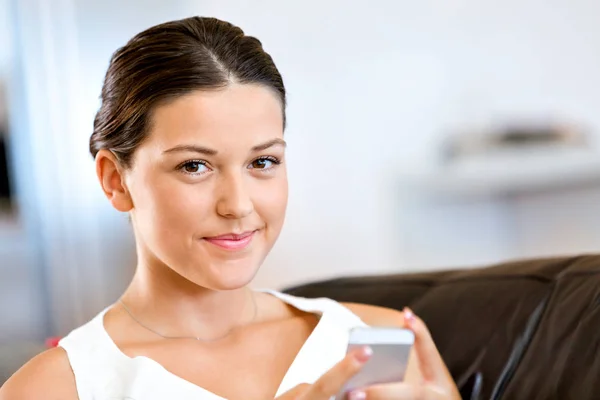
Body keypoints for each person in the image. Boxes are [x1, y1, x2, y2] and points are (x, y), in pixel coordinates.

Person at [0, 17, 461, 400]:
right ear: (115, 180)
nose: (238, 205)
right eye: (195, 166)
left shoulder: (375, 342)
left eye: (263, 162)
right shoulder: (54, 389)